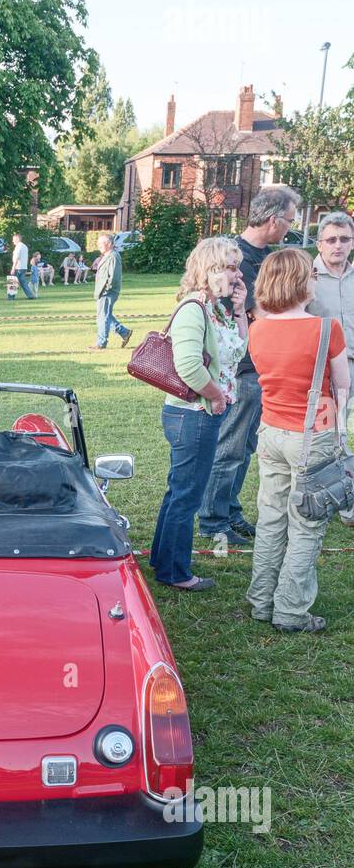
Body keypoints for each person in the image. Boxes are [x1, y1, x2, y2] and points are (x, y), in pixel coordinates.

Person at [247, 249, 349, 632]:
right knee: (306, 524)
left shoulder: (257, 328)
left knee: (271, 518)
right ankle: (290, 610)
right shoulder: (326, 329)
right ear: (300, 282)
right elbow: (341, 387)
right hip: (312, 435)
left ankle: (261, 600)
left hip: (271, 432)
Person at [198, 185, 301, 545]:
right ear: (273, 219)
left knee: (244, 448)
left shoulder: (269, 256)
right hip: (240, 371)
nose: (291, 226)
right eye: (289, 219)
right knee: (229, 447)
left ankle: (229, 510)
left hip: (263, 366)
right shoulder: (234, 257)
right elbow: (258, 313)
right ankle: (213, 521)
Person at [149, 237, 248, 591]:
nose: (238, 274)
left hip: (201, 412)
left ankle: (163, 561)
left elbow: (237, 352)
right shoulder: (194, 308)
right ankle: (175, 572)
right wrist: (216, 397)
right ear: (211, 270)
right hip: (192, 414)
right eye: (231, 267)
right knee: (187, 493)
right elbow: (188, 364)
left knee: (180, 490)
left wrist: (240, 311)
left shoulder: (217, 308)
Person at [307, 211, 354, 417]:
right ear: (319, 244)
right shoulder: (305, 277)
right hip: (318, 369)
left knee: (343, 427)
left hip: (351, 364)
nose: (338, 245)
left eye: (344, 239)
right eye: (331, 240)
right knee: (319, 430)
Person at [90, 234, 132, 349]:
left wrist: (107, 289)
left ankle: (101, 342)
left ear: (108, 243)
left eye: (100, 244)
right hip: (102, 291)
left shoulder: (113, 256)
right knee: (104, 315)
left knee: (103, 317)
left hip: (108, 291)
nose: (98, 246)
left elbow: (114, 276)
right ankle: (124, 332)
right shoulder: (108, 255)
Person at [11, 233, 35, 298]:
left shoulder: (18, 247)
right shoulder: (24, 246)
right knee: (23, 282)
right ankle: (30, 295)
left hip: (18, 267)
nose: (12, 241)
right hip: (24, 267)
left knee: (13, 281)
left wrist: (13, 268)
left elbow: (16, 258)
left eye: (14, 239)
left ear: (17, 239)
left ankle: (11, 296)